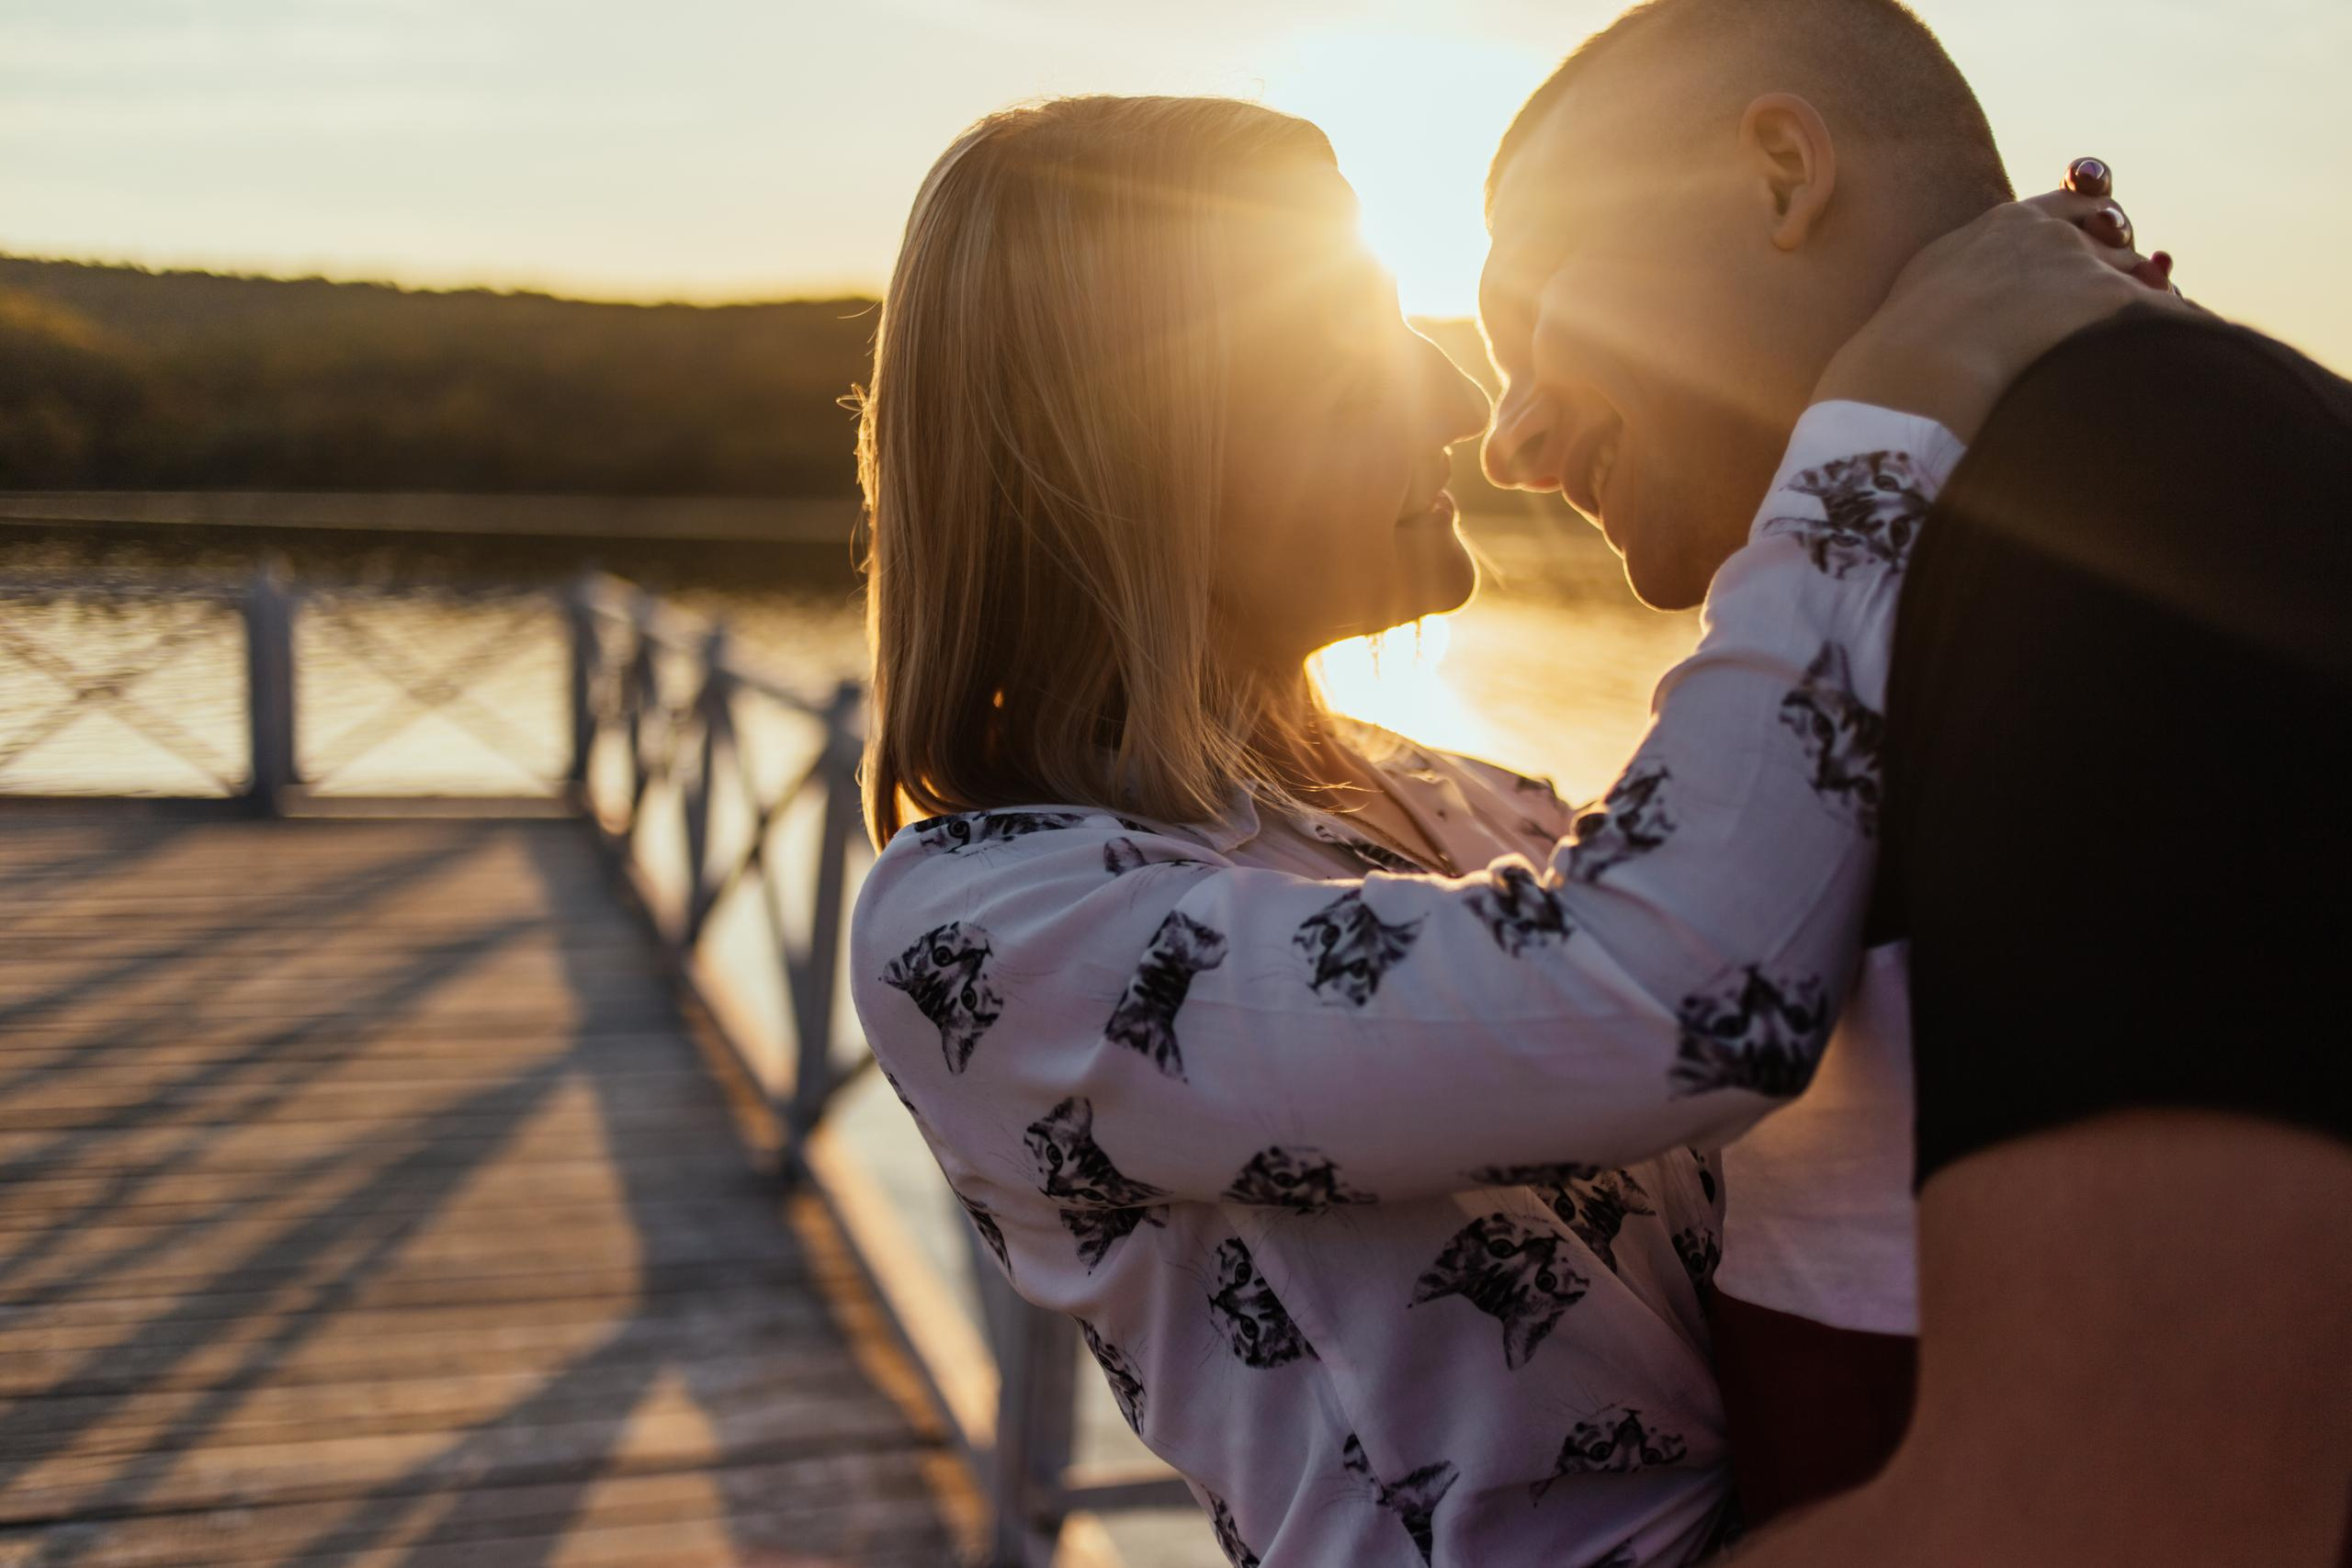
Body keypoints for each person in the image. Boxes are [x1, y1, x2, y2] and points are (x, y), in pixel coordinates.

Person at [847, 94, 2151, 1565]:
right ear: (1133, 431)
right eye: (1348, 343)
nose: (1457, 402)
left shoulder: (1476, 804)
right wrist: (1890, 410)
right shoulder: (990, 930)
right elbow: (1685, 996)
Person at [1476, 1, 2351, 1560]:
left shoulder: (2152, 504)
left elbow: (2118, 1520)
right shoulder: (1945, 577)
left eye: (1532, 311)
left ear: (1777, 176)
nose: (1512, 445)